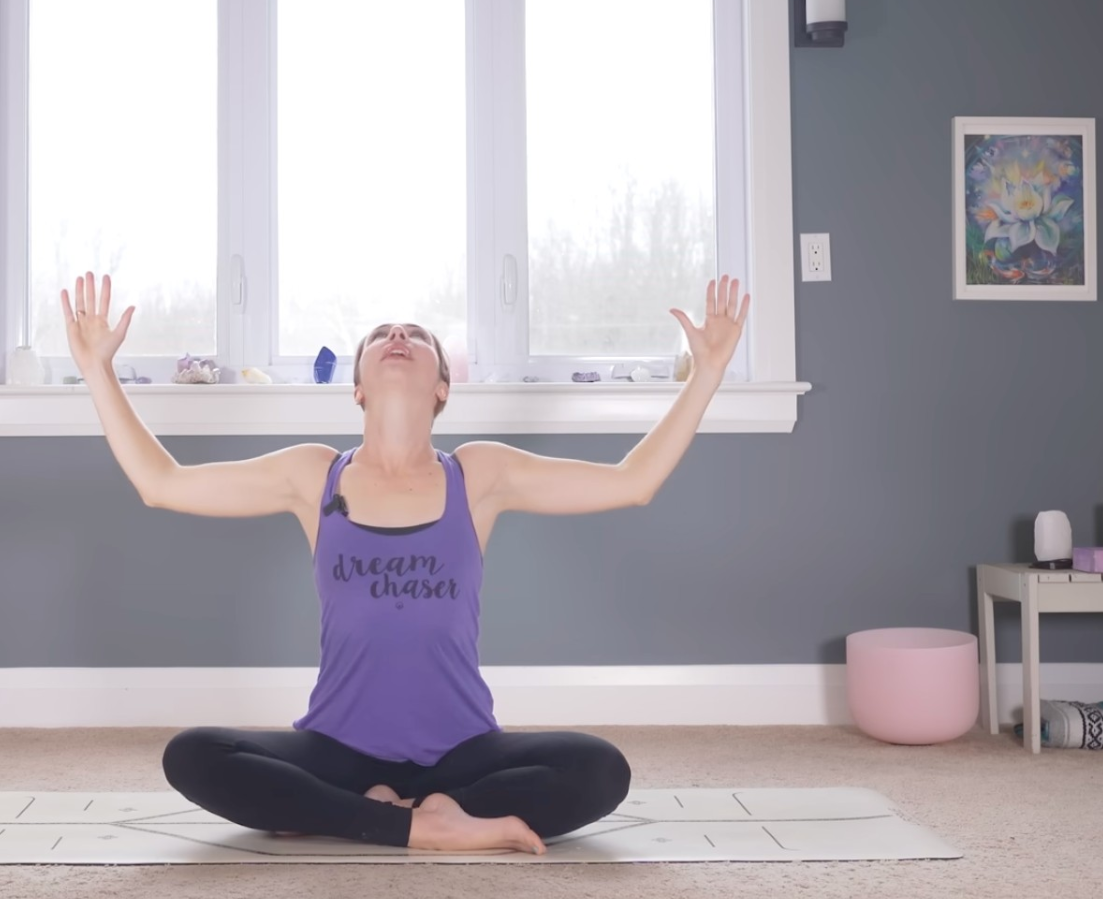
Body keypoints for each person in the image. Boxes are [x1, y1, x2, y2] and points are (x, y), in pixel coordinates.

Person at [59, 270, 751, 855]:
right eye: (381, 335)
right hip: (337, 749)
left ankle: (375, 813)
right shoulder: (313, 475)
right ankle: (427, 826)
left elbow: (634, 481)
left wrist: (708, 373)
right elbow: (162, 484)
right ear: (357, 387)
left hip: (463, 752)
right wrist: (96, 369)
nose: (398, 336)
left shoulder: (477, 475)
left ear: (443, 387)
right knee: (193, 754)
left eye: (417, 335)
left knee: (601, 769)